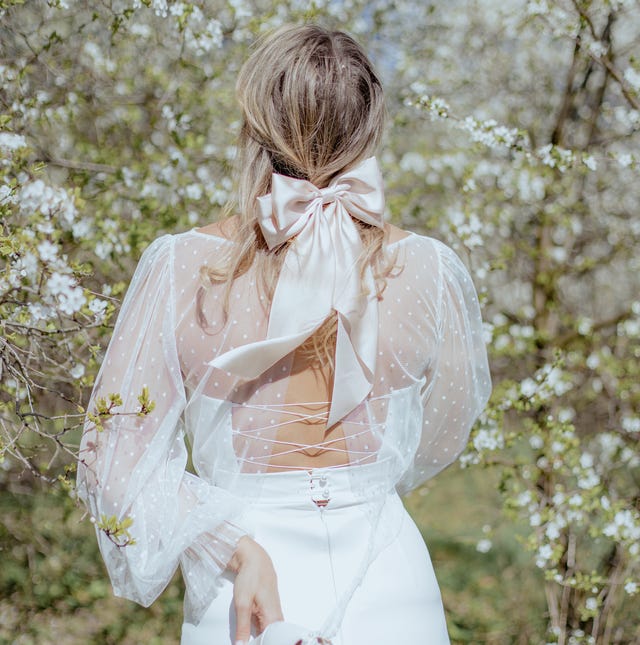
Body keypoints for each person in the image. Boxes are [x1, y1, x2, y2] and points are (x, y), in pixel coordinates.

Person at [76, 24, 491, 645]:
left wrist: (235, 546)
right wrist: (363, 483)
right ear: (370, 128)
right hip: (389, 573)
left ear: (254, 125)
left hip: (243, 577)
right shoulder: (430, 270)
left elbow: (110, 459)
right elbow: (444, 431)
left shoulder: (181, 267)